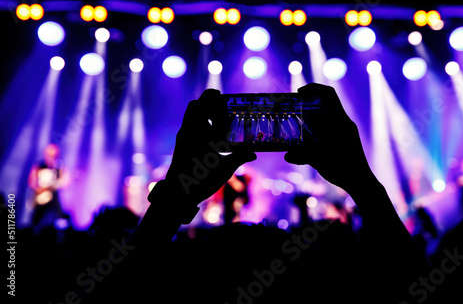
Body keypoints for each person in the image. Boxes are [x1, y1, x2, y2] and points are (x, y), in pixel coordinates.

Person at [75, 85, 432, 303]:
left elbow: (113, 295)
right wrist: (363, 183)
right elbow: (416, 285)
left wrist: (176, 200)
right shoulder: (334, 290)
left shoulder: (176, 291)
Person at [28, 143, 69, 231]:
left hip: (53, 198)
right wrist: (39, 189)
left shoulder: (59, 168)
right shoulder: (39, 166)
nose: (51, 157)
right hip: (40, 198)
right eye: (49, 154)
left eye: (53, 155)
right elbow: (32, 181)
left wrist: (61, 183)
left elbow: (64, 183)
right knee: (36, 220)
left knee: (59, 219)